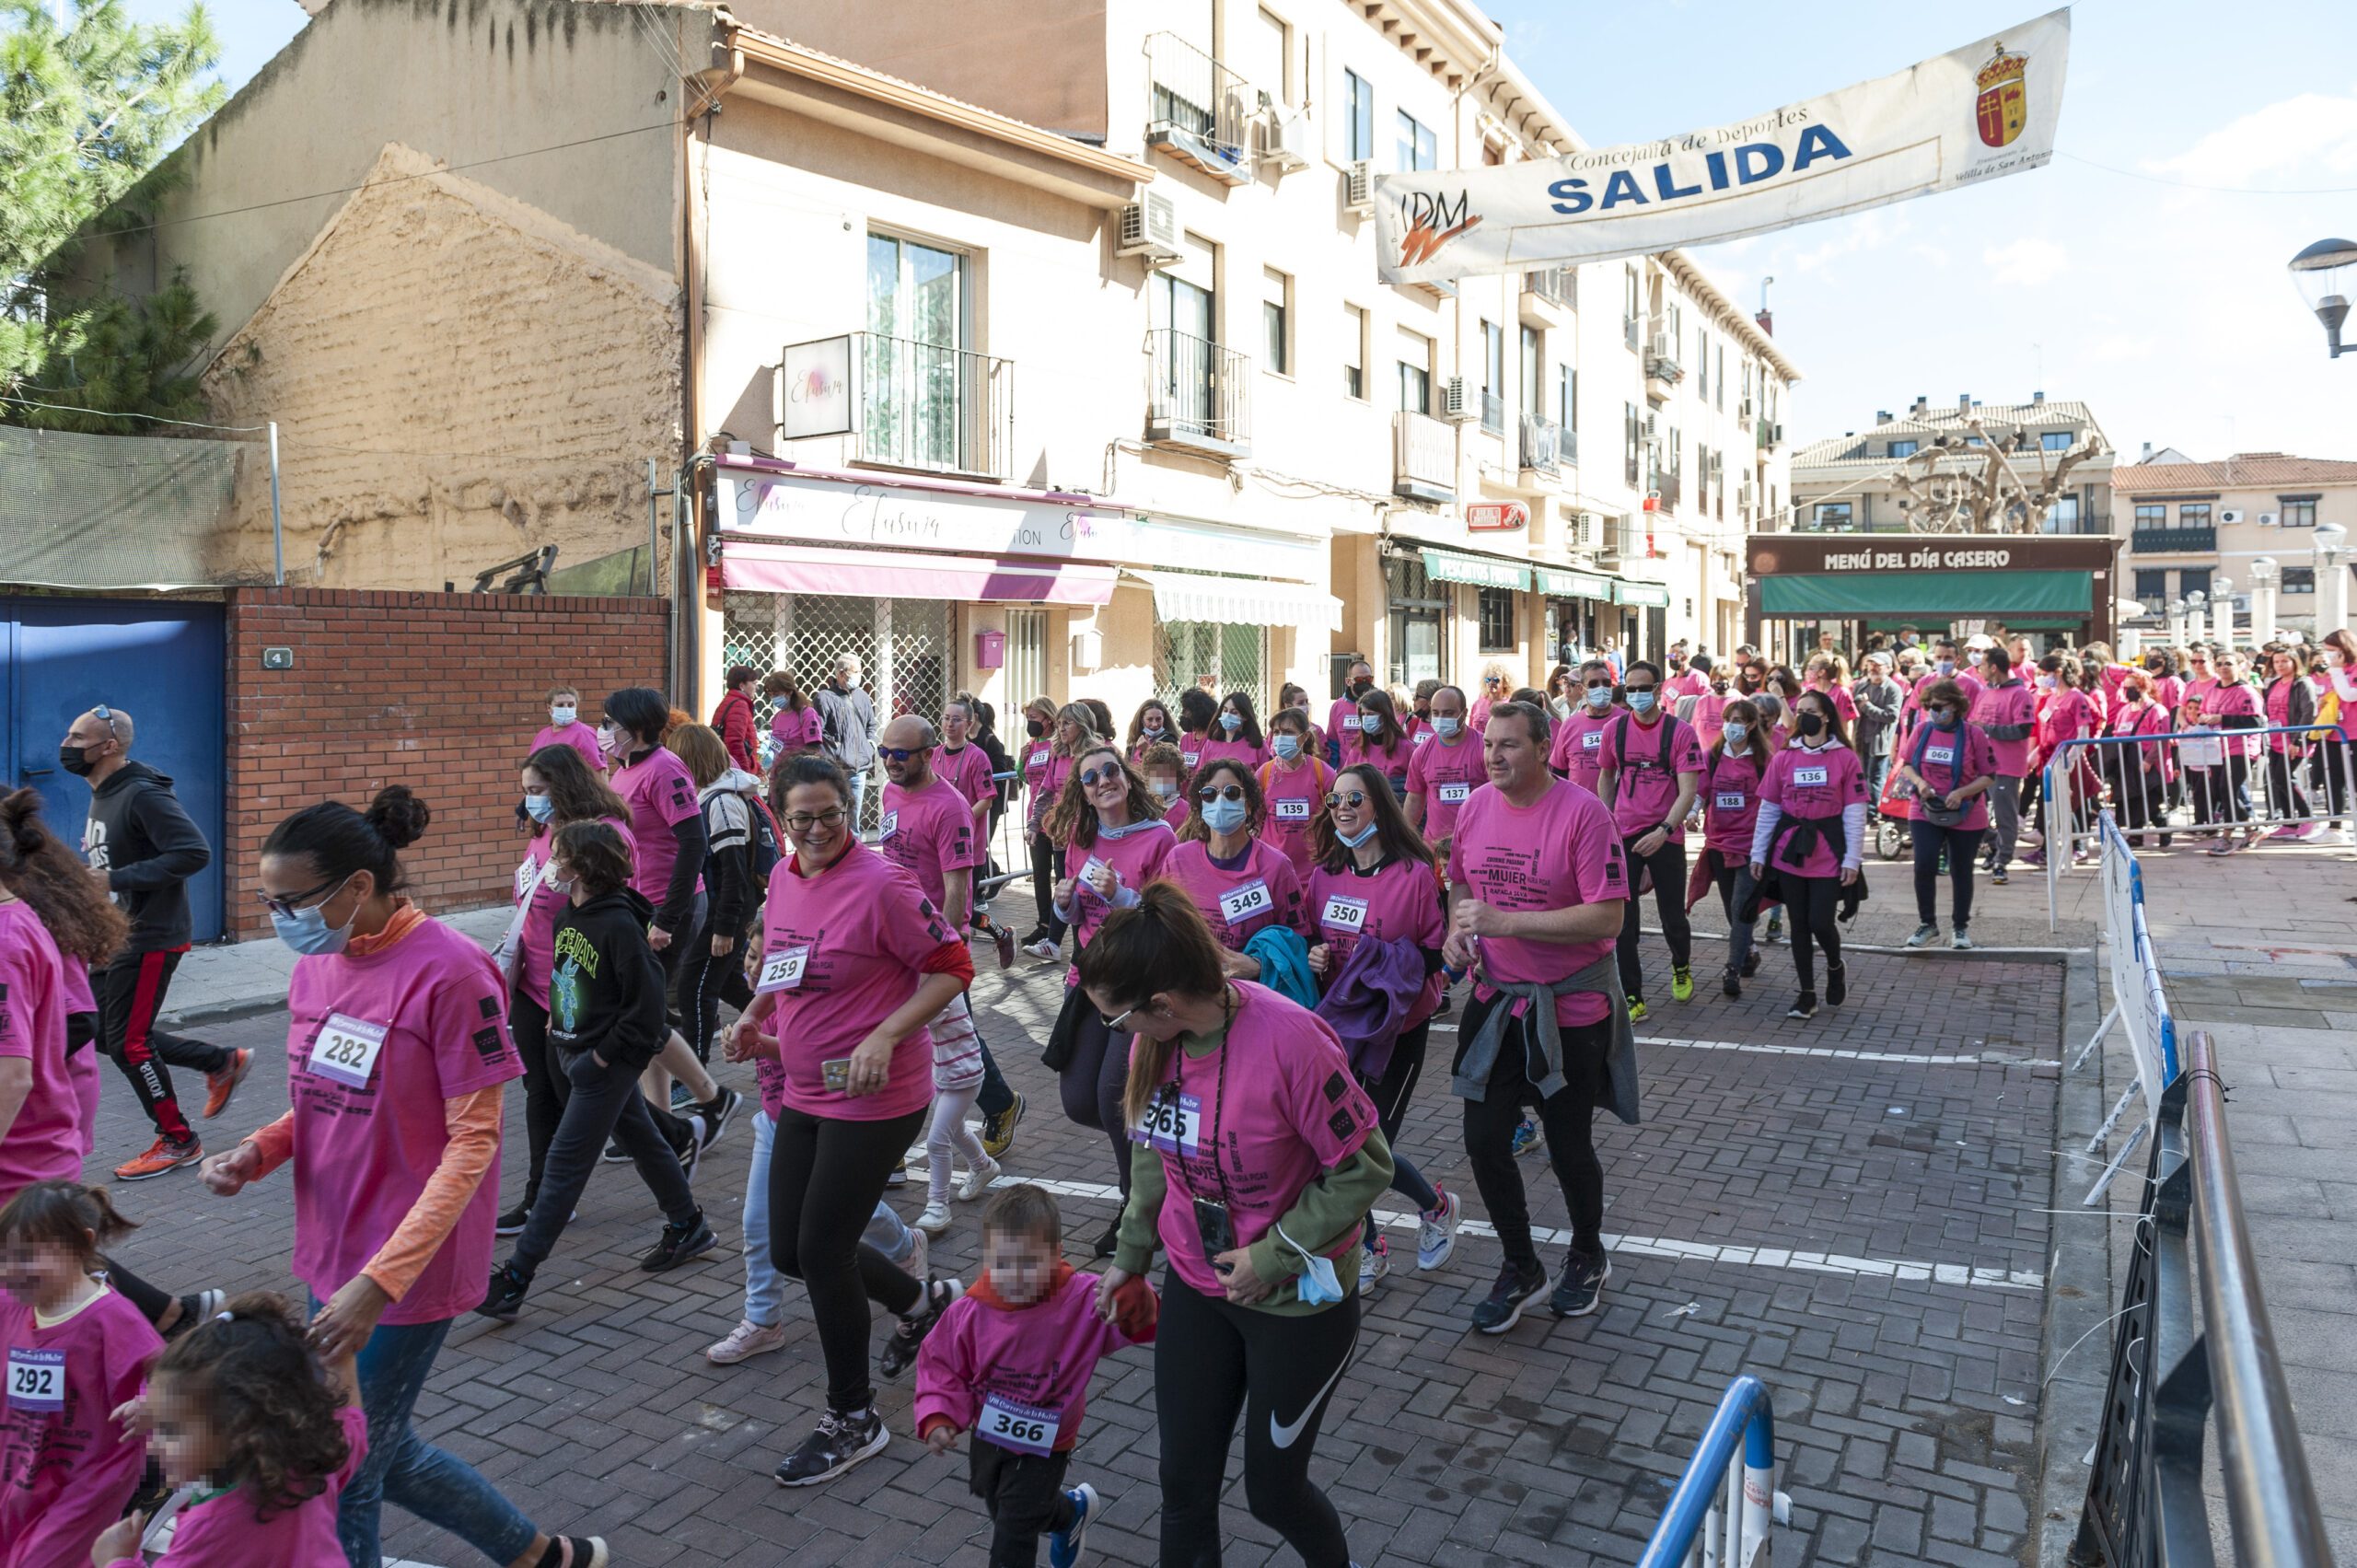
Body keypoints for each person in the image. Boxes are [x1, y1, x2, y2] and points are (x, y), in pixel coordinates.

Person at [203, 787, 603, 1568]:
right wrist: (259, 1150)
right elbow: (320, 1101)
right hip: (331, 1248)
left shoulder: (452, 973)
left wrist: (380, 1282)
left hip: (404, 1273)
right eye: (267, 899)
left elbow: (473, 1143)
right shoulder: (317, 971)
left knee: (344, 1466)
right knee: (382, 1447)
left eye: (291, 901)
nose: (277, 917)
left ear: (357, 886)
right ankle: (538, 1555)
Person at [1086, 889, 1392, 1568]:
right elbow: (1149, 1154)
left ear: (1162, 1004)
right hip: (1198, 1286)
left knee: (1274, 1494)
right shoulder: (1155, 1045)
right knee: (1182, 1484)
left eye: (1119, 1021)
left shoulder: (1292, 1040)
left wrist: (1274, 1254)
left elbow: (1368, 1166)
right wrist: (1132, 1256)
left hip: (1297, 1305)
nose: (1120, 1035)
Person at [724, 754, 971, 1486]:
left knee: (824, 1247)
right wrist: (753, 1016)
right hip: (804, 1086)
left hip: (878, 1095)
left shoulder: (884, 883)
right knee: (795, 1252)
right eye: (801, 817)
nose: (819, 828)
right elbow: (782, 961)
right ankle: (922, 1302)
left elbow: (953, 965)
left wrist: (887, 1032)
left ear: (849, 807)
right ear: (780, 816)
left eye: (831, 812)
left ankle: (854, 1416)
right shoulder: (781, 876)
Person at [477, 820, 718, 1322]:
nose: (552, 866)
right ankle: (688, 1224)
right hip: (573, 1054)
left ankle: (516, 1278)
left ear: (584, 867)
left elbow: (648, 1011)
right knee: (645, 1138)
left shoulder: (620, 928)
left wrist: (603, 1059)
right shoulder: (570, 915)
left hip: (601, 1065)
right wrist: (557, 1022)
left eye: (560, 857)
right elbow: (571, 978)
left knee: (563, 1168)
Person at [1446, 700, 1633, 1330]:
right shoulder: (1474, 806)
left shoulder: (1585, 814)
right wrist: (1460, 927)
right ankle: (1520, 1262)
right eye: (1489, 744)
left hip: (1571, 1007)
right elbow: (1462, 882)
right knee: (1482, 1137)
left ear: (1545, 746)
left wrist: (1508, 921)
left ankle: (1587, 1251)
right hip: (1497, 997)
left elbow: (1608, 916)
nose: (1494, 755)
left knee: (1567, 1139)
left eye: (1510, 745)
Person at [913, 1184, 1157, 1568]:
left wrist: (1132, 1302)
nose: (1014, 1276)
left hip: (1049, 1437)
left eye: (1029, 1262)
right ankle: (1069, 1514)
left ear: (1056, 1254)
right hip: (990, 1429)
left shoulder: (1082, 1300)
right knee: (1001, 1503)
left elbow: (1141, 1321)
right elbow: (941, 1363)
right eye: (1002, 1263)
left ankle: (1051, 1515)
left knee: (1014, 1529)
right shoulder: (970, 1312)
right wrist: (939, 1416)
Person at [61, 703, 250, 1181]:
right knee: (104, 1034)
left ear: (109, 746)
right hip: (116, 934)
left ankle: (178, 1140)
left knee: (128, 1043)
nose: (67, 745)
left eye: (77, 738)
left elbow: (193, 851)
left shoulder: (142, 794)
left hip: (149, 935)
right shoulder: (104, 791)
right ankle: (220, 1060)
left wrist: (114, 879)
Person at [1306, 763, 1463, 1282]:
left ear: (1379, 805)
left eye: (1355, 799)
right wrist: (1317, 956)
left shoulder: (1416, 874)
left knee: (1371, 1146)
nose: (1344, 809)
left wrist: (1384, 966)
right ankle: (1372, 1245)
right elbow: (1310, 938)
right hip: (1339, 1028)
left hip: (1398, 1030)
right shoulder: (1323, 875)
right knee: (1342, 1140)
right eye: (1335, 801)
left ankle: (1436, 1207)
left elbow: (1436, 956)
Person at [98, 1292, 366, 1568]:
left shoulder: (211, 1527)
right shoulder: (306, 1460)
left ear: (239, 1431)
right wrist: (342, 1352)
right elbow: (352, 1423)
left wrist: (117, 1559)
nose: (153, 1446)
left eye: (171, 1431)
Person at [498, 745, 644, 1237]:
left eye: (538, 791)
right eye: (526, 792)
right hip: (533, 981)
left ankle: (678, 1152)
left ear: (564, 786)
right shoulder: (544, 830)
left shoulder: (604, 834)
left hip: (574, 989)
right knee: (540, 1092)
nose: (531, 802)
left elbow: (619, 910)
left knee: (590, 1102)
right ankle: (542, 1199)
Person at [1042, 745, 1180, 1246]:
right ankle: (1161, 1151)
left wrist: (1122, 894)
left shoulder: (1159, 836)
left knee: (1111, 1097)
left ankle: (1136, 1208)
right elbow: (1077, 919)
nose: (1103, 781)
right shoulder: (1083, 839)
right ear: (1082, 792)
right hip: (1090, 981)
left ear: (1126, 777)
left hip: (1140, 983)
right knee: (1079, 1101)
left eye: (1110, 771)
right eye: (1090, 777)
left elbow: (1169, 914)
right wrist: (1065, 904)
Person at [874, 715, 1002, 1237]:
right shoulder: (888, 792)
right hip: (898, 946)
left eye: (900, 754)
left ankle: (995, 1107)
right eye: (885, 752)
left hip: (935, 950)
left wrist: (943, 953)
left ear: (928, 754)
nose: (889, 761)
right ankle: (981, 1142)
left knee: (952, 1044)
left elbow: (956, 889)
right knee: (941, 1046)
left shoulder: (950, 809)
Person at [599, 690, 738, 1146]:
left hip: (666, 911)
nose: (604, 730)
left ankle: (710, 1099)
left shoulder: (664, 769)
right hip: (636, 907)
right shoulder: (624, 771)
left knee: (640, 1017)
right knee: (647, 1014)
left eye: (610, 722)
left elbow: (693, 843)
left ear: (636, 728)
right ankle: (659, 1123)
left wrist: (667, 917)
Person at [0, 1180, 161, 1568]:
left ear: (82, 1245)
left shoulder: (111, 1319)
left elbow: (177, 1375)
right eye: (5, 1257)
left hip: (88, 1481)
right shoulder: (11, 1306)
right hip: (19, 1469)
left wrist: (154, 1404)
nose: (12, 1271)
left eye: (29, 1258)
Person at [1748, 690, 1869, 1020]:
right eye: (1798, 711)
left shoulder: (1845, 758)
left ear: (1827, 715)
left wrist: (1852, 860)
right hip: (1790, 853)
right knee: (1798, 925)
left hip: (1828, 852)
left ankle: (1834, 964)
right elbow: (1769, 809)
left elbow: (1856, 813)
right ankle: (1806, 994)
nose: (1802, 717)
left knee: (1820, 921)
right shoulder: (1784, 757)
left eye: (1810, 711)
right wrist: (1759, 854)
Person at [1595, 662, 1703, 1022]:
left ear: (1658, 690)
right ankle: (1632, 994)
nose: (1637, 695)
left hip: (1666, 833)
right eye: (1630, 688)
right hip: (1624, 833)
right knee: (1623, 921)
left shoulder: (1680, 732)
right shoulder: (1616, 730)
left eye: (1644, 688)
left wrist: (1665, 831)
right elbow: (1607, 777)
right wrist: (1606, 821)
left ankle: (1681, 964)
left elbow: (1689, 790)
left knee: (1673, 915)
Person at [666, 724, 763, 1073]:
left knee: (696, 987)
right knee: (725, 982)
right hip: (720, 909)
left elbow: (734, 874)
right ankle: (781, 1027)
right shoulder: (712, 795)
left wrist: (725, 928)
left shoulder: (722, 802)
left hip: (726, 912)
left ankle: (693, 1075)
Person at [1164, 758, 1306, 978]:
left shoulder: (1277, 867)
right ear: (1201, 805)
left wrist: (1260, 965)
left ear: (1249, 805)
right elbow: (1161, 926)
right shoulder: (1178, 860)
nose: (1220, 801)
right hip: (1191, 990)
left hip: (1254, 995)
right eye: (1210, 794)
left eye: (1231, 792)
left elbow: (1299, 939)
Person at [1892, 679, 1995, 951]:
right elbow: (1906, 766)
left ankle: (1960, 927)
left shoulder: (1974, 735)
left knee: (1961, 870)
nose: (1934, 712)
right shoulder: (1922, 730)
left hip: (1967, 811)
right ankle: (1928, 924)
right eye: (1930, 707)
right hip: (1925, 809)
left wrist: (1962, 793)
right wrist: (1920, 783)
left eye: (1940, 707)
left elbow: (1988, 776)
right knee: (1924, 863)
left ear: (1956, 706)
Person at [1694, 700, 1769, 998]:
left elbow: (1773, 802)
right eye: (1729, 719)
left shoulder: (1764, 760)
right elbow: (1699, 792)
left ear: (1751, 725)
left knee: (1739, 909)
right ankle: (1749, 951)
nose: (1732, 725)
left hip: (1751, 845)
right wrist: (1691, 813)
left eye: (1738, 720)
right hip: (1718, 843)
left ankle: (1732, 969)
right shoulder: (1712, 757)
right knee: (1731, 910)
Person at [1968, 646, 2036, 886]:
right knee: (1969, 810)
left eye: (1983, 665)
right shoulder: (1985, 692)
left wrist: (1987, 729)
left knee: (2005, 816)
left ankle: (2002, 862)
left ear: (1993, 667)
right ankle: (1995, 847)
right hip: (1979, 765)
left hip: (2006, 766)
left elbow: (2023, 729)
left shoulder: (2020, 693)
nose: (1980, 669)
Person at [1403, 683, 1485, 867]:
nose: (1440, 718)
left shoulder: (1484, 748)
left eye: (1448, 713)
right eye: (1436, 713)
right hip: (1436, 852)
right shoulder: (1422, 752)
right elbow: (1414, 800)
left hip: (1477, 846)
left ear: (1464, 713)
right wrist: (1403, 839)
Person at [1256, 709, 1331, 877]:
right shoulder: (1265, 773)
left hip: (1315, 869)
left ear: (1304, 737)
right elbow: (1254, 817)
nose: (1281, 737)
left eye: (1288, 732)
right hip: (1273, 869)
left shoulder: (1322, 771)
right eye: (1277, 732)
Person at [2103, 673, 2174, 851]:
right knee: (2131, 800)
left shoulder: (2156, 710)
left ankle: (2163, 828)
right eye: (2125, 688)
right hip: (2128, 763)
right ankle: (2136, 836)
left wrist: (2149, 760)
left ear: (2144, 687)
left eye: (2131, 688)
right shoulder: (2125, 710)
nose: (2127, 692)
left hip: (2148, 763)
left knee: (2147, 801)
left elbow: (2161, 738)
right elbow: (2117, 734)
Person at [816, 654, 879, 823]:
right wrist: (836, 750)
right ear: (842, 673)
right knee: (836, 819)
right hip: (838, 770)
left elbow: (871, 726)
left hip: (860, 770)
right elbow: (818, 732)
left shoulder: (863, 696)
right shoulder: (825, 697)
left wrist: (870, 745)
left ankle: (854, 849)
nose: (860, 675)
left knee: (853, 822)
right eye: (856, 671)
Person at [2261, 648, 2317, 838]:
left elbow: (2308, 713)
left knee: (2284, 776)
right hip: (2276, 740)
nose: (2280, 665)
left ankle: (2306, 816)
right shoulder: (2274, 684)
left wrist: (2297, 740)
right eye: (2276, 662)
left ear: (2294, 661)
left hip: (2294, 740)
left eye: (2284, 661)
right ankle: (2289, 822)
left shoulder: (2302, 683)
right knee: (2278, 780)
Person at [1548, 658, 1620, 793]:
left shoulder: (1625, 721)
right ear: (1581, 688)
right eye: (1593, 684)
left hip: (1618, 809)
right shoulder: (1569, 725)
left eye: (1606, 683)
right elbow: (1559, 773)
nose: (1601, 688)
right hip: (1579, 808)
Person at [1852, 654, 1905, 801]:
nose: (1873, 668)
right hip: (1861, 740)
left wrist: (1866, 706)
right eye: (1870, 664)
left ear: (1888, 669)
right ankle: (1863, 806)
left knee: (1876, 778)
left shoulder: (1893, 689)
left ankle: (1875, 811)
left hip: (1880, 742)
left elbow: (1891, 716)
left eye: (1877, 665)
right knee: (1861, 777)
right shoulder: (1861, 686)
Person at [1353, 687, 1415, 798]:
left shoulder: (1406, 747)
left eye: (1371, 714)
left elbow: (1416, 787)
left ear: (1385, 714)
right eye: (1363, 714)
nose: (1366, 718)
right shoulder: (1358, 747)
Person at [529, 686, 606, 776]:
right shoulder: (542, 735)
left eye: (571, 705)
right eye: (560, 705)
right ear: (549, 708)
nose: (566, 709)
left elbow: (600, 772)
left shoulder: (585, 734)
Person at [761, 670, 823, 769]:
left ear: (789, 692)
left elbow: (813, 751)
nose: (773, 698)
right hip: (781, 776)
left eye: (776, 694)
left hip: (801, 775)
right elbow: (777, 751)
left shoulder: (807, 714)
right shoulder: (776, 718)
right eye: (770, 694)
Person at [712, 664, 763, 775]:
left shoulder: (730, 700)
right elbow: (735, 743)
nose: (757, 688)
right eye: (754, 683)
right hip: (735, 772)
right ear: (742, 685)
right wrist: (745, 774)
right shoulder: (739, 705)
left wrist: (756, 765)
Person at [1201, 691, 1266, 775]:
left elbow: (1267, 778)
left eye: (1234, 712)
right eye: (1225, 710)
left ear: (1245, 716)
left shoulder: (1258, 745)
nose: (1227, 715)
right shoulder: (1210, 743)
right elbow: (1201, 776)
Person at [1326, 660, 1375, 768]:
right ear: (1348, 681)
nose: (1364, 683)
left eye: (1368, 679)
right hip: (1347, 771)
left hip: (1374, 772)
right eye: (1359, 680)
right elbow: (1333, 744)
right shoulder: (1337, 707)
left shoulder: (1381, 705)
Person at [1173, 688, 1216, 775]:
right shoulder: (1185, 739)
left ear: (1199, 712)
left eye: (1186, 710)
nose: (1182, 714)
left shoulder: (1214, 737)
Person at [1126, 698, 1178, 762]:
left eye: (1158, 719)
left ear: (1164, 719)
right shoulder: (1135, 739)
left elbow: (1166, 770)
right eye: (1150, 720)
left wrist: (1147, 751)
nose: (1154, 724)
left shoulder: (1169, 741)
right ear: (1142, 720)